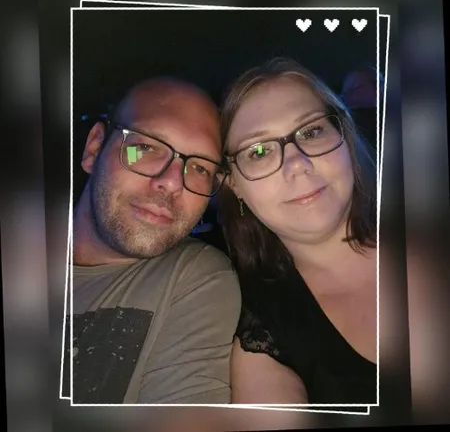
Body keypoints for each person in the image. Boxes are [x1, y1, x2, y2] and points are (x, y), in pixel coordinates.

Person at [65, 77, 241, 404]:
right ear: (94, 148)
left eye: (200, 168)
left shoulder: (195, 278)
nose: (172, 183)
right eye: (145, 148)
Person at [218, 58, 377, 404]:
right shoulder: (262, 332)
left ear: (345, 137)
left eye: (311, 131)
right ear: (234, 185)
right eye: (259, 151)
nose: (297, 165)